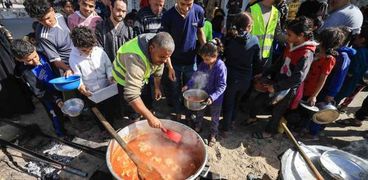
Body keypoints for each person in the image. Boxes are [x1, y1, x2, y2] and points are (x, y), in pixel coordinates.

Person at [249, 17, 317, 139]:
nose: (286, 36)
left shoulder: (306, 54)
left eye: (289, 34)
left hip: (289, 89)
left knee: (278, 112)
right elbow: (279, 63)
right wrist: (264, 74)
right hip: (278, 82)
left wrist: (276, 87)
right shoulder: (291, 44)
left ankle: (269, 132)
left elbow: (298, 78)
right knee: (260, 101)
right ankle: (254, 118)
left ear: (301, 36)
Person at [112, 32, 175, 128]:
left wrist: (157, 88)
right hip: (124, 78)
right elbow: (131, 95)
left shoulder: (157, 47)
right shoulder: (135, 58)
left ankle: (143, 114)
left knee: (145, 99)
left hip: (142, 77)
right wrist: (150, 117)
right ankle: (134, 122)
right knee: (132, 109)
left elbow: (159, 68)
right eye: (162, 57)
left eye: (167, 57)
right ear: (151, 48)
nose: (165, 61)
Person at [161, 0, 206, 121]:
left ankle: (189, 113)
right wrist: (169, 67)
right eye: (182, 4)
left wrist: (206, 50)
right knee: (175, 89)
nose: (186, 8)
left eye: (189, 5)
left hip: (191, 61)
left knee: (191, 89)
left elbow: (200, 32)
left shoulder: (199, 11)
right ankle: (177, 112)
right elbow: (165, 43)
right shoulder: (167, 16)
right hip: (174, 62)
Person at [11, 39, 66, 137]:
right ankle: (61, 134)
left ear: (35, 49)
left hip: (60, 86)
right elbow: (39, 92)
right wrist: (56, 99)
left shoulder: (43, 52)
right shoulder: (26, 72)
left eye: (35, 56)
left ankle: (70, 118)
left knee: (67, 106)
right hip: (47, 95)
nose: (36, 61)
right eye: (29, 60)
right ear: (19, 59)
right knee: (55, 115)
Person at [300, 28, 345, 140]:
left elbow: (322, 78)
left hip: (316, 91)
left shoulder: (329, 59)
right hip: (307, 86)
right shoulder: (318, 52)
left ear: (324, 40)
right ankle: (301, 128)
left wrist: (314, 95)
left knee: (314, 112)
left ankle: (311, 134)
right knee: (305, 110)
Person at [220, 12, 261, 137]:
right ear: (248, 26)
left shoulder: (229, 38)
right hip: (245, 79)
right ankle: (231, 121)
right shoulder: (254, 40)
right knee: (237, 101)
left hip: (231, 76)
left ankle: (225, 128)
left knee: (228, 102)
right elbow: (257, 62)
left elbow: (222, 55)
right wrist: (257, 75)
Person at [69, 26, 117, 129]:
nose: (89, 52)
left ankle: (112, 126)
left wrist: (110, 76)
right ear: (77, 47)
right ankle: (103, 129)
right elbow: (77, 75)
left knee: (109, 108)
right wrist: (81, 86)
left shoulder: (99, 51)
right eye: (84, 50)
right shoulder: (73, 57)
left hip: (106, 87)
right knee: (96, 111)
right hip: (91, 92)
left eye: (90, 49)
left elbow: (108, 66)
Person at [182, 38, 227, 146]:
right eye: (203, 58)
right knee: (199, 111)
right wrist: (188, 84)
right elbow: (196, 75)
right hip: (203, 93)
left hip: (215, 98)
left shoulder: (220, 67)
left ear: (215, 55)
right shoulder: (203, 64)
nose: (205, 61)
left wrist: (212, 97)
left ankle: (213, 134)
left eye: (207, 59)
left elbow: (222, 85)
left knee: (215, 116)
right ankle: (198, 126)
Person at [23, 0, 73, 77]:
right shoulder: (43, 36)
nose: (46, 22)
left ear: (52, 10)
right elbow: (56, 60)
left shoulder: (60, 16)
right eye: (41, 20)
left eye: (48, 18)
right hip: (69, 65)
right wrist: (68, 69)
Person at [335, 26, 368, 126]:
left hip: (347, 82)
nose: (356, 37)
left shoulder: (358, 53)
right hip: (355, 83)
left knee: (334, 99)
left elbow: (352, 71)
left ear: (363, 39)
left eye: (358, 37)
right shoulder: (362, 51)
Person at [0, 27, 35, 118]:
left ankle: (21, 108)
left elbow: (11, 42)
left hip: (7, 57)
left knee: (13, 80)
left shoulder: (2, 30)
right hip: (7, 58)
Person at [249, 0, 282, 71]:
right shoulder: (252, 9)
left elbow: (278, 34)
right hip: (251, 54)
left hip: (266, 57)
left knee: (261, 80)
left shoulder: (276, 12)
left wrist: (292, 40)